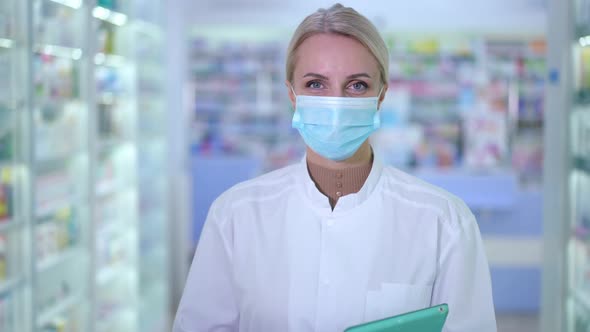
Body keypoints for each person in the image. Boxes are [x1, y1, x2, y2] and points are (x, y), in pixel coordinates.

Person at [173, 3, 496, 332]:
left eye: (357, 85)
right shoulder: (235, 215)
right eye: (316, 84)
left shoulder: (444, 222)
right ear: (292, 95)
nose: (336, 103)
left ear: (381, 96)